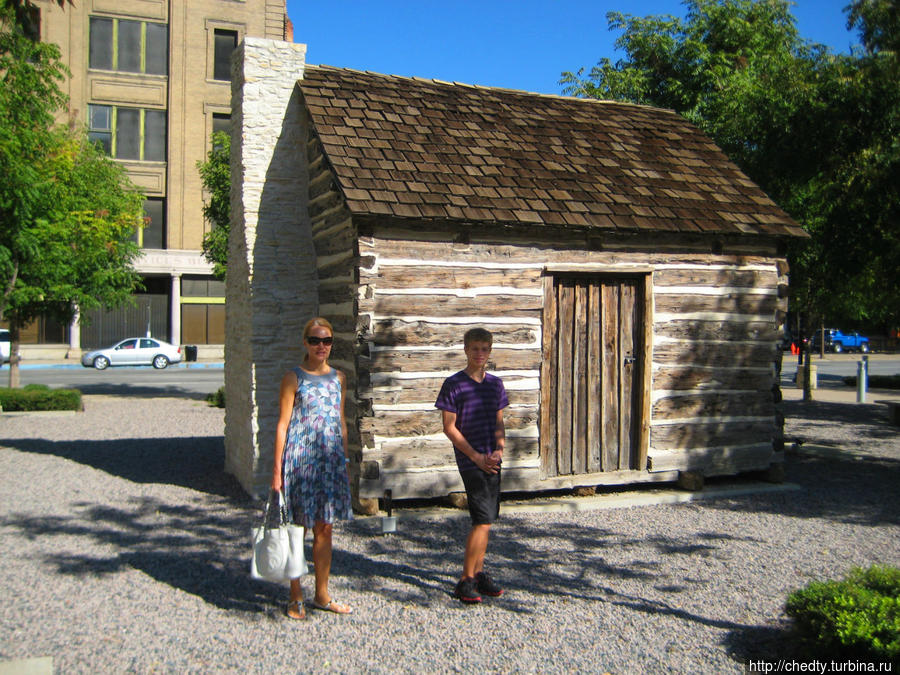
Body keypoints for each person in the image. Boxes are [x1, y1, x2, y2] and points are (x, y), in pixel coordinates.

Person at [271, 317, 353, 619]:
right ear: (305, 342)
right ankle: (295, 594)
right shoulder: (294, 377)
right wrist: (276, 471)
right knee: (297, 528)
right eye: (316, 340)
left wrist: (344, 461)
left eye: (327, 340)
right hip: (299, 460)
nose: (322, 346)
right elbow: (282, 425)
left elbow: (340, 422)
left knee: (325, 528)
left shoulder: (339, 378)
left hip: (330, 463)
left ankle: (322, 594)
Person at [435, 327, 509, 604]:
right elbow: (449, 428)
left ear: (490, 352)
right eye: (475, 348)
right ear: (466, 350)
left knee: (488, 520)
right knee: (481, 519)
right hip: (471, 460)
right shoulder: (454, 384)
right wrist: (476, 456)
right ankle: (465, 580)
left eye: (485, 349)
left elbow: (499, 421)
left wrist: (499, 450)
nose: (480, 353)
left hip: (493, 459)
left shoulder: (495, 384)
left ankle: (478, 573)